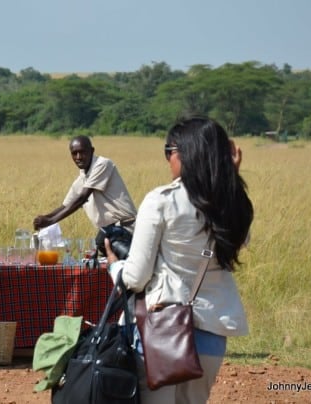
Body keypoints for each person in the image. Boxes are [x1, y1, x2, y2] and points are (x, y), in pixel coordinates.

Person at [104, 116, 254, 404]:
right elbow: (239, 240)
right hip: (212, 333)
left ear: (186, 153)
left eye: (169, 151)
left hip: (162, 331)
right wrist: (231, 179)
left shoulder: (161, 200)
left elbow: (136, 277)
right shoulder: (235, 205)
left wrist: (114, 265)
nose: (168, 159)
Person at [33, 135, 137, 235]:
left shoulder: (102, 164)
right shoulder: (82, 178)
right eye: (74, 153)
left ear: (92, 151)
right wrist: (45, 218)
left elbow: (82, 198)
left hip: (127, 229)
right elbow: (66, 206)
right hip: (110, 233)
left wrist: (50, 221)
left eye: (82, 152)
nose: (78, 157)